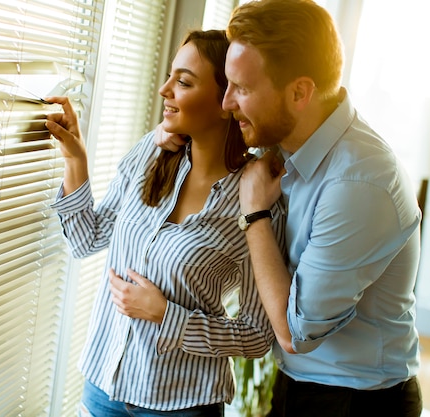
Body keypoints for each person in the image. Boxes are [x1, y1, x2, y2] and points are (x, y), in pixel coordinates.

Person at [157, 1, 423, 416]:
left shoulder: (358, 184)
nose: (227, 103)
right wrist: (173, 131)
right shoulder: (286, 136)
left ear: (300, 92)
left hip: (356, 401)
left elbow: (294, 332)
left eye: (241, 89)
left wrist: (254, 215)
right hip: (301, 384)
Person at [45, 29, 284, 417]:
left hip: (181, 405)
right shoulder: (152, 150)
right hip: (103, 387)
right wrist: (76, 159)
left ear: (227, 100)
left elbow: (258, 335)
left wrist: (167, 315)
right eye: (171, 75)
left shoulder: (257, 197)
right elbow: (86, 240)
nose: (164, 89)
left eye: (184, 81)